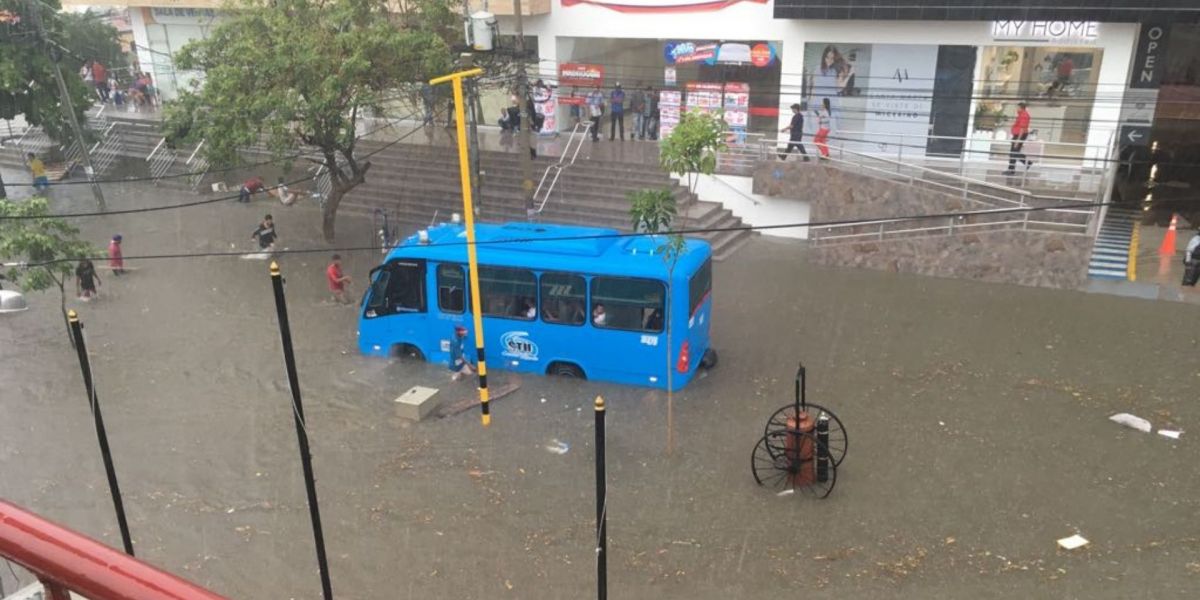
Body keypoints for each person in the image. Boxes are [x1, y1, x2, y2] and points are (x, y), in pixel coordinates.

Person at [1003, 101, 1032, 175]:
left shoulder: (1024, 115)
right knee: (1014, 152)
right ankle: (1024, 163)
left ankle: (1012, 169)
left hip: (1020, 135)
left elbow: (1022, 129)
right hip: (1018, 135)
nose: (1016, 109)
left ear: (1021, 108)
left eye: (1017, 107)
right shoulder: (1021, 114)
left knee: (1014, 152)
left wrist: (1017, 141)